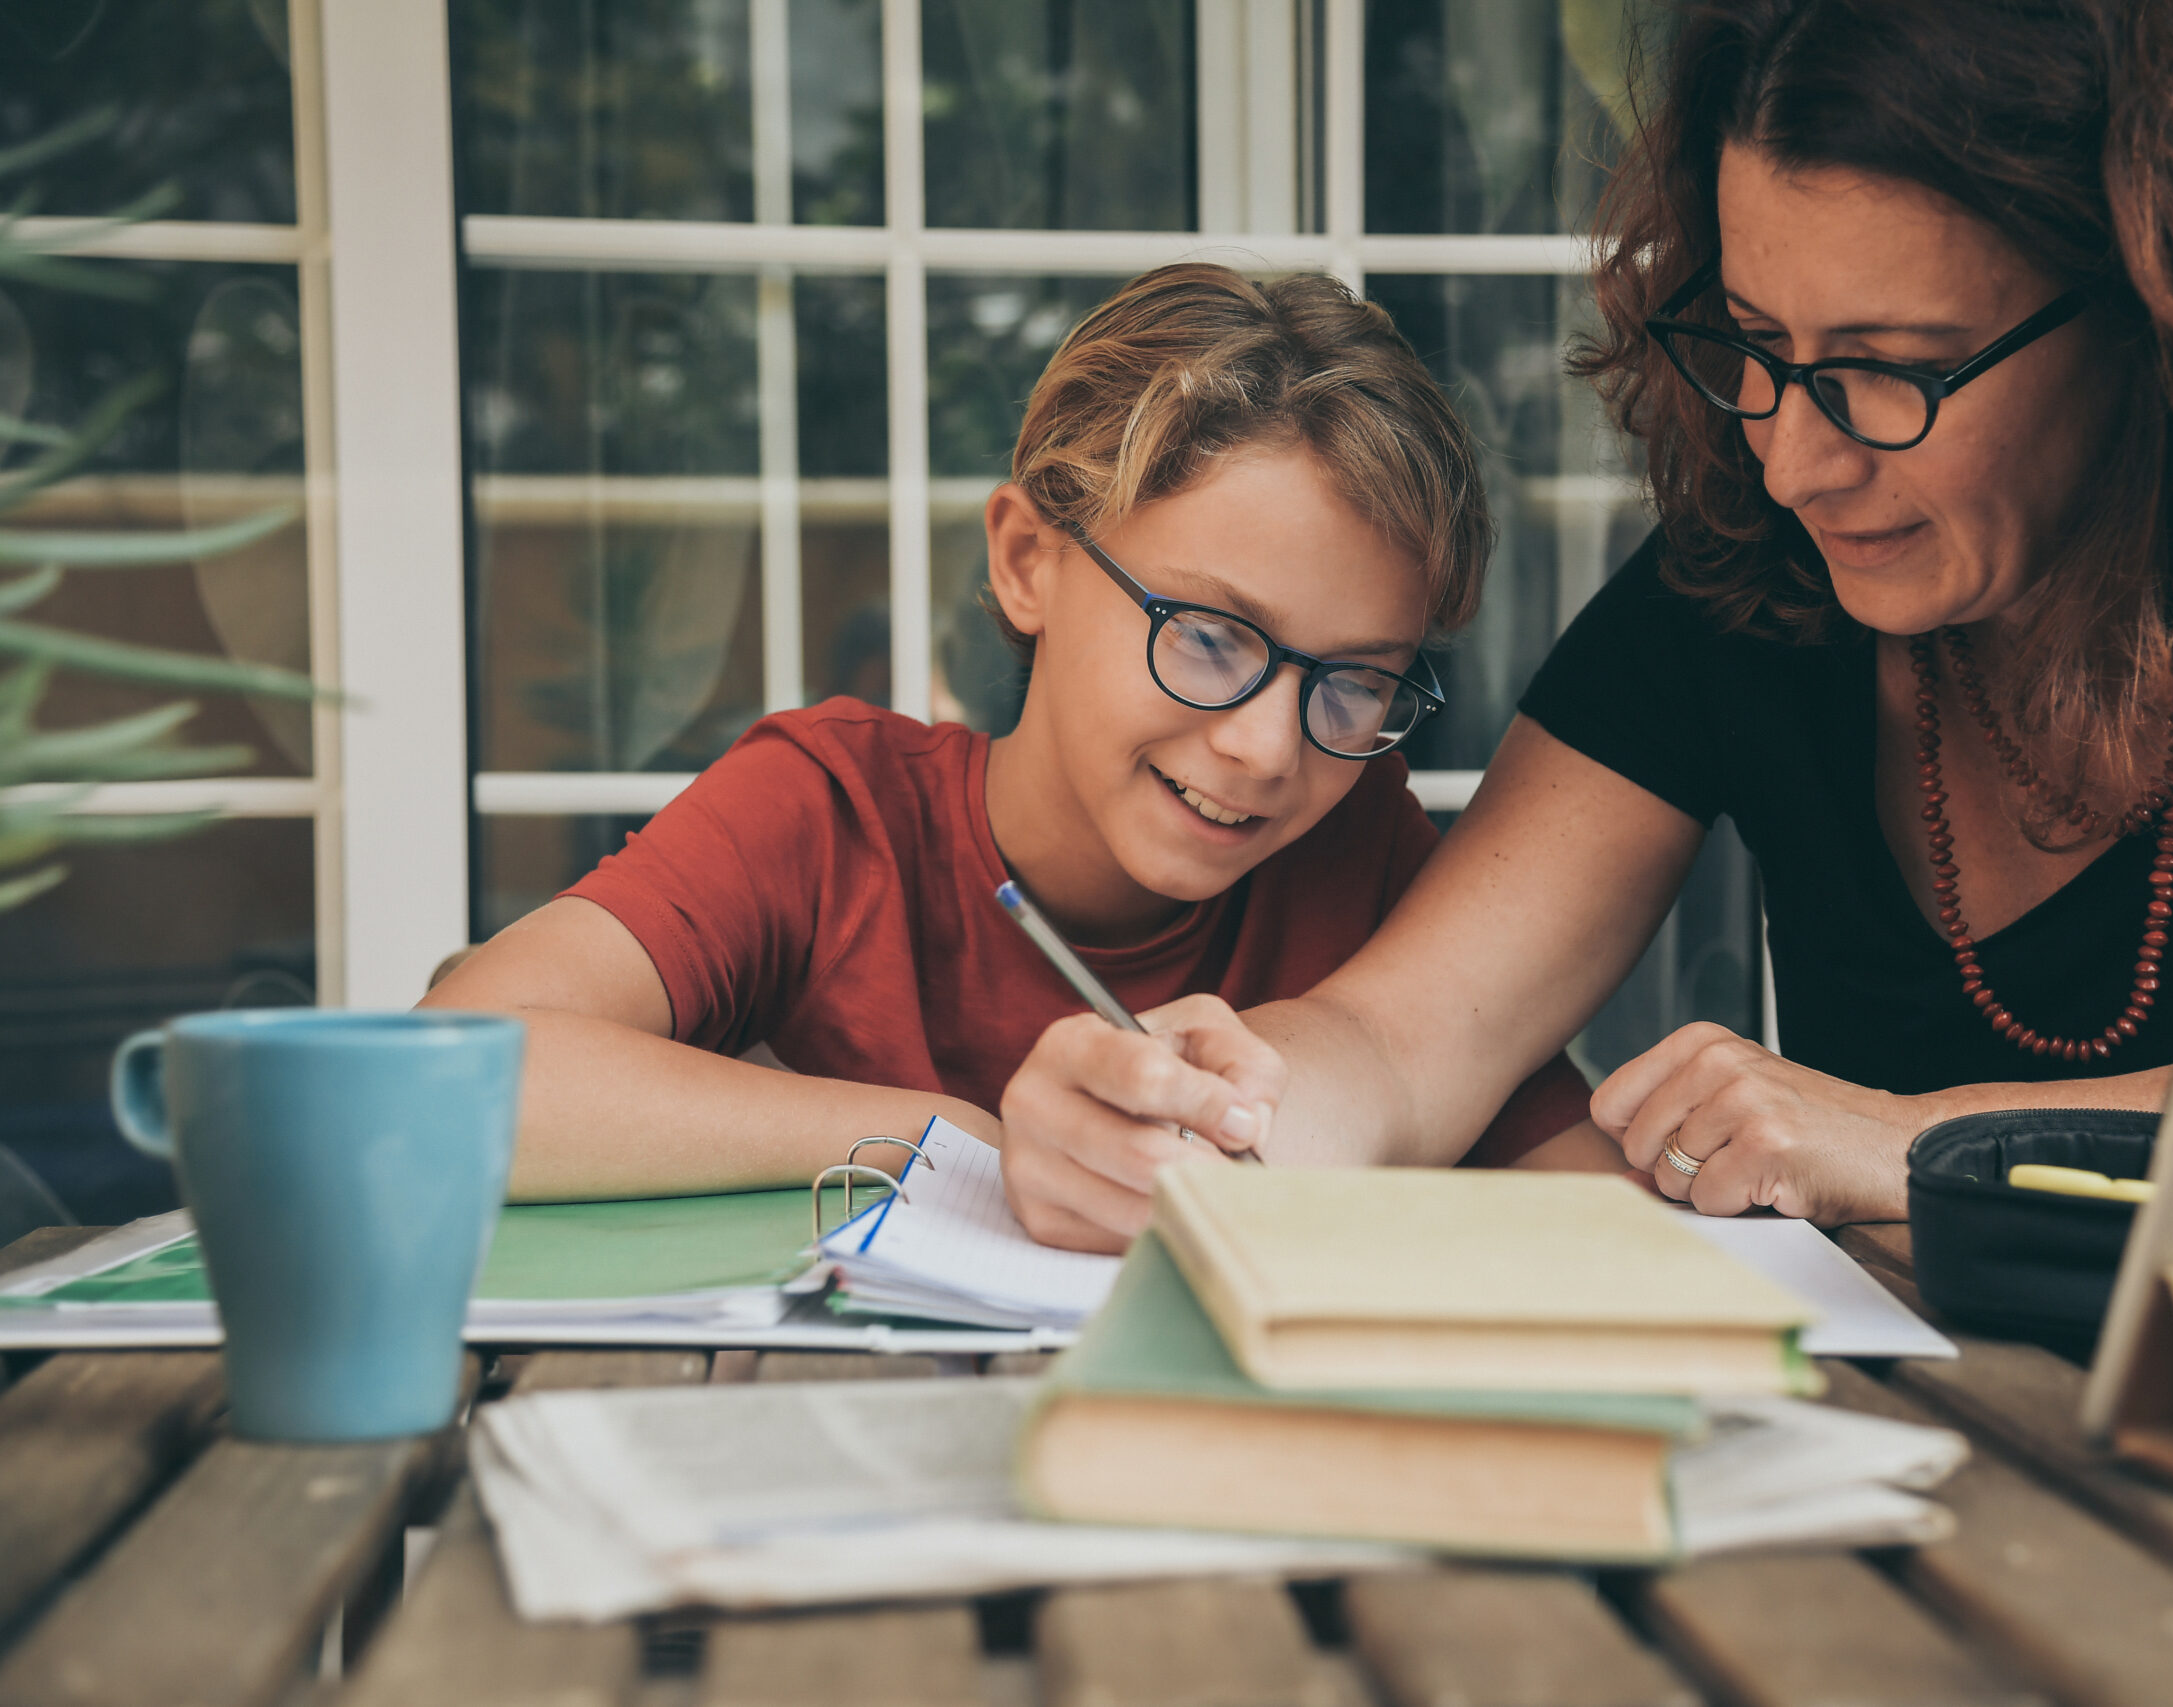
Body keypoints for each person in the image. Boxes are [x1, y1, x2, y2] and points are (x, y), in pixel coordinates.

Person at [997, 0, 2173, 1248]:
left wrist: (1905, 1132)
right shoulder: (1748, 572)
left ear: (2164, 314)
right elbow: (1406, 1043)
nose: (1795, 458)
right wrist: (1213, 1114)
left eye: (1893, 366)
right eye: (1754, 344)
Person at [424, 264, 1594, 1198]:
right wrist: (956, 1139)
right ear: (1028, 561)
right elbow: (446, 1077)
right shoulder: (832, 815)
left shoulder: (1362, 853)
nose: (1268, 748)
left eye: (1353, 682)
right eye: (1207, 636)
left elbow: (1595, 1216)